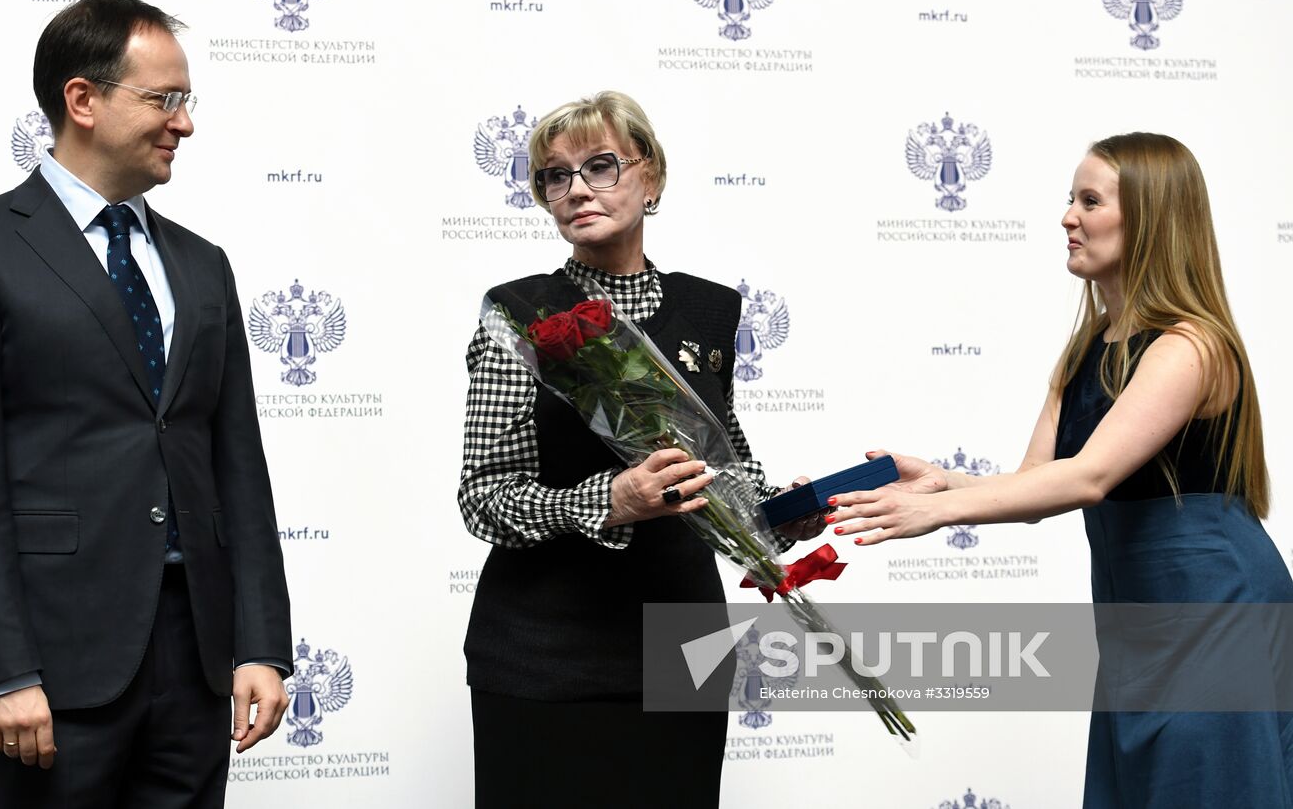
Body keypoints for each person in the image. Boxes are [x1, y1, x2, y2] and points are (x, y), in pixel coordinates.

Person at [0, 0, 293, 808]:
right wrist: (1, 667)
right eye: (164, 99)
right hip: (50, 664)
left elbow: (238, 471)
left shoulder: (201, 264)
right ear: (82, 100)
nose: (184, 123)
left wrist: (261, 643)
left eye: (187, 100)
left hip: (195, 658)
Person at [826, 132, 1293, 806]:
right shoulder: (1084, 352)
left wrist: (938, 510)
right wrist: (939, 479)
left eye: (1090, 200)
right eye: (1070, 199)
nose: (1068, 217)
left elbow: (1088, 478)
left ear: (1151, 217)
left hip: (1218, 615)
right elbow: (1037, 485)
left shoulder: (1191, 345)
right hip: (1139, 629)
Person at [457, 91, 822, 808]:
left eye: (600, 165)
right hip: (542, 656)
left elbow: (723, 465)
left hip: (682, 649)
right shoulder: (517, 315)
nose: (577, 189)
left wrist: (778, 513)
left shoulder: (712, 309)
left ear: (650, 177)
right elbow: (485, 497)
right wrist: (612, 501)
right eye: (553, 176)